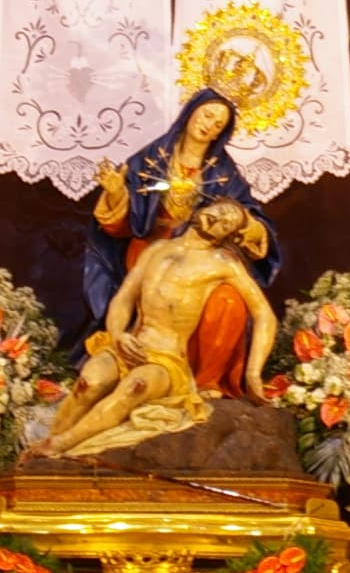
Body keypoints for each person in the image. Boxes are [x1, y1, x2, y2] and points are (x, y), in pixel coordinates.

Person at [47, 198, 279, 458]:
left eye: (227, 224)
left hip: (167, 361)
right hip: (129, 345)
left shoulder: (224, 264)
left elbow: (264, 315)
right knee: (88, 383)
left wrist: (253, 374)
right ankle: (49, 442)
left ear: (225, 236)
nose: (219, 219)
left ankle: (61, 446)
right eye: (221, 211)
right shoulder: (157, 250)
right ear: (206, 207)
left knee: (134, 388)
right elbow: (124, 298)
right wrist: (118, 335)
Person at [88, 87, 281, 388]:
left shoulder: (223, 170)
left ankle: (206, 381)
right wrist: (116, 194)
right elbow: (120, 227)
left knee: (228, 302)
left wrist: (245, 222)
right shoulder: (152, 157)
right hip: (152, 246)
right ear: (191, 112)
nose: (209, 125)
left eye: (218, 124)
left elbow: (249, 216)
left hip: (203, 253)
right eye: (207, 115)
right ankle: (143, 358)